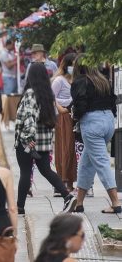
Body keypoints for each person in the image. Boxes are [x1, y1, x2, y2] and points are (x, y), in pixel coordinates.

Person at [15, 63, 76, 215]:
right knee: (46, 170)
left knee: (24, 172)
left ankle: (20, 207)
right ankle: (67, 195)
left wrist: (28, 139)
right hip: (43, 142)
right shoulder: (48, 94)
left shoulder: (30, 93)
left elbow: (29, 117)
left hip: (28, 142)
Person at [71, 55, 121, 214]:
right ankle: (79, 203)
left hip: (92, 123)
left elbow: (80, 105)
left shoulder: (80, 82)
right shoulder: (104, 80)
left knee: (101, 161)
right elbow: (113, 102)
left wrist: (75, 115)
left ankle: (115, 202)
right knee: (86, 163)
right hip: (107, 121)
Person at [52, 53, 77, 192]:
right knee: (64, 148)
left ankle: (71, 181)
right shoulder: (59, 80)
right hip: (63, 117)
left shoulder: (77, 79)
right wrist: (61, 107)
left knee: (73, 149)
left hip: (74, 115)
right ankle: (62, 180)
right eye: (72, 64)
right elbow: (51, 97)